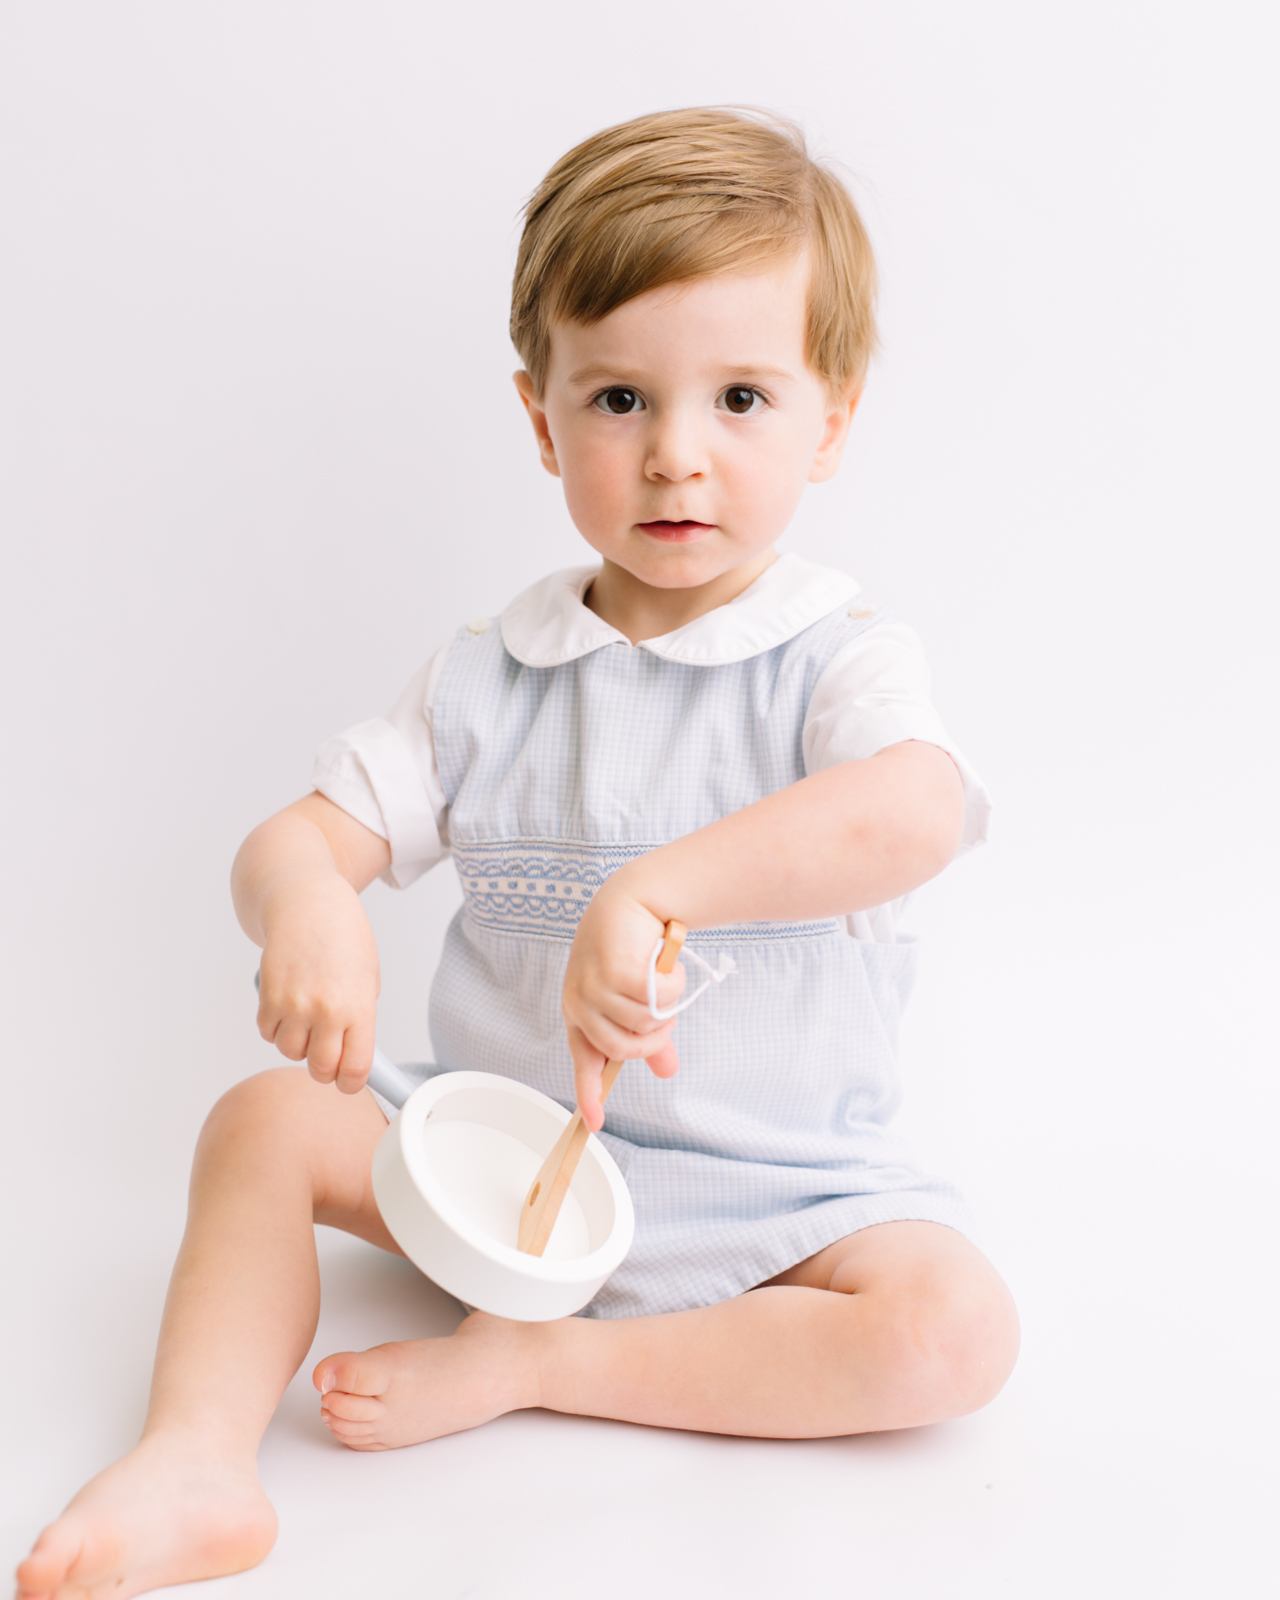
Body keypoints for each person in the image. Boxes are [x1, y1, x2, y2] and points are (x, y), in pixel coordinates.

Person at [17, 106, 1019, 1600]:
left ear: (834, 416)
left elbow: (916, 811)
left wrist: (658, 886)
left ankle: (550, 1367)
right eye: (620, 398)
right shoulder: (493, 675)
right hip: (494, 1173)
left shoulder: (834, 664)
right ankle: (195, 1459)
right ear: (544, 419)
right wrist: (307, 902)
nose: (677, 455)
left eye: (741, 396)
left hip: (773, 1203)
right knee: (258, 1123)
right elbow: (300, 835)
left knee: (954, 1330)